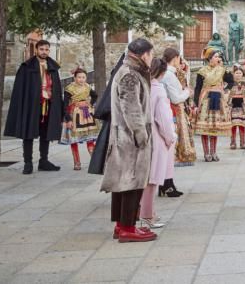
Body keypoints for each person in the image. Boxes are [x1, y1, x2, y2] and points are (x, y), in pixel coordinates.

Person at [100, 38, 157, 243]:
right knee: (132, 183)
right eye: (151, 54)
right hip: (130, 139)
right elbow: (131, 109)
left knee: (124, 182)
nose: (152, 58)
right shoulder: (130, 75)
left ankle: (122, 224)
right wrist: (141, 136)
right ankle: (127, 227)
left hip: (125, 137)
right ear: (143, 54)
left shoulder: (132, 72)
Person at [5, 39, 63, 174]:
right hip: (31, 106)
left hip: (48, 105)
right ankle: (28, 163)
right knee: (28, 133)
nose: (44, 52)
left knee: (46, 133)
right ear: (36, 50)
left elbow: (57, 89)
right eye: (42, 49)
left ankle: (44, 161)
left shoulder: (53, 67)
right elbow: (20, 89)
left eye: (47, 49)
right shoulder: (27, 67)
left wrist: (60, 109)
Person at [140, 59, 177, 229]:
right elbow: (163, 118)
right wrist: (170, 137)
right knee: (152, 178)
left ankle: (141, 211)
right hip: (155, 135)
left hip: (140, 134)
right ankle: (148, 214)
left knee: (143, 176)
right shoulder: (158, 90)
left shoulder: (140, 86)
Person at [193, 47, 234, 162]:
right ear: (209, 59)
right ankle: (206, 153)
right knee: (205, 127)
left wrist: (225, 90)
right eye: (216, 56)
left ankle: (214, 152)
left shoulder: (221, 70)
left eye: (218, 57)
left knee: (214, 127)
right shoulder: (202, 71)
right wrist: (196, 105)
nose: (218, 58)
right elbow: (197, 88)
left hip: (218, 99)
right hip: (206, 99)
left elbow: (231, 81)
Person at [161, 48, 195, 172]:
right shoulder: (169, 75)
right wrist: (187, 92)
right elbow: (175, 98)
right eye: (179, 58)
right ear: (175, 58)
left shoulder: (169, 73)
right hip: (172, 109)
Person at [60, 68, 98, 170]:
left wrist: (90, 103)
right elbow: (64, 105)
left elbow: (95, 95)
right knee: (74, 140)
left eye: (83, 77)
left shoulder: (87, 87)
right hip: (74, 115)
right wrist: (68, 119)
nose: (81, 79)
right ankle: (77, 162)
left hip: (87, 115)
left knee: (90, 138)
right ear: (75, 77)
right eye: (79, 77)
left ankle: (94, 162)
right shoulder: (69, 88)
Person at [229, 66, 245, 150]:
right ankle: (233, 142)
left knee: (242, 124)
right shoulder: (230, 83)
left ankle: (242, 141)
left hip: (243, 105)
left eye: (240, 73)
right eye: (236, 73)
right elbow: (226, 94)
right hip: (232, 106)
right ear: (233, 74)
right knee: (232, 125)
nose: (238, 75)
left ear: (243, 74)